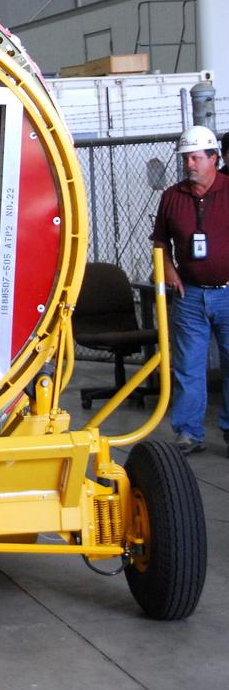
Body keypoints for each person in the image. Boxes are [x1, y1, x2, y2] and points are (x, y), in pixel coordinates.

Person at [152, 125, 229, 455]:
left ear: (214, 158)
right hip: (190, 296)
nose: (189, 164)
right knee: (188, 367)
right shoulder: (172, 197)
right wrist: (168, 268)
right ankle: (188, 433)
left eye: (196, 158)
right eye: (186, 158)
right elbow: (160, 240)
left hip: (228, 294)